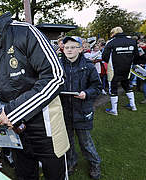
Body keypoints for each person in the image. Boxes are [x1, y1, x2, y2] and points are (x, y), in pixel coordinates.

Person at [0, 2, 69, 180]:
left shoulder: (25, 32)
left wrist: (14, 111)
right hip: (16, 130)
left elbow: (55, 77)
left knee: (55, 175)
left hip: (46, 125)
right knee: (24, 174)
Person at [60, 36, 102, 179]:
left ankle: (95, 163)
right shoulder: (58, 65)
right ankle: (71, 162)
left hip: (82, 110)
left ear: (80, 49)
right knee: (68, 141)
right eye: (67, 47)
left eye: (73, 47)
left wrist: (86, 93)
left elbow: (97, 87)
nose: (69, 50)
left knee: (85, 142)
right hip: (65, 111)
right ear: (63, 49)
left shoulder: (88, 66)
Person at [102, 27, 141, 115]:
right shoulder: (132, 41)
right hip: (127, 68)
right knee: (127, 85)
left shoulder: (111, 42)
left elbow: (104, 56)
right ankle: (133, 105)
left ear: (113, 33)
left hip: (114, 69)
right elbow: (136, 55)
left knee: (113, 87)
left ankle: (114, 110)